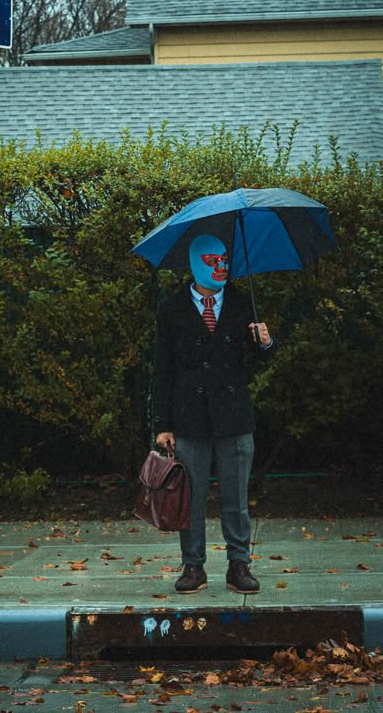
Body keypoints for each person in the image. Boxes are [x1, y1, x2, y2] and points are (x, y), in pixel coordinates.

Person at [151, 233, 277, 595]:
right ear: (194, 263)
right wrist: (162, 425)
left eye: (224, 260)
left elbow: (259, 357)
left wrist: (264, 341)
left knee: (236, 497)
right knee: (189, 496)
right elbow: (161, 369)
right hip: (189, 419)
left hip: (233, 417)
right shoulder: (171, 308)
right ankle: (193, 567)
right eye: (212, 260)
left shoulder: (241, 303)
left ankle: (239, 565)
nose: (221, 266)